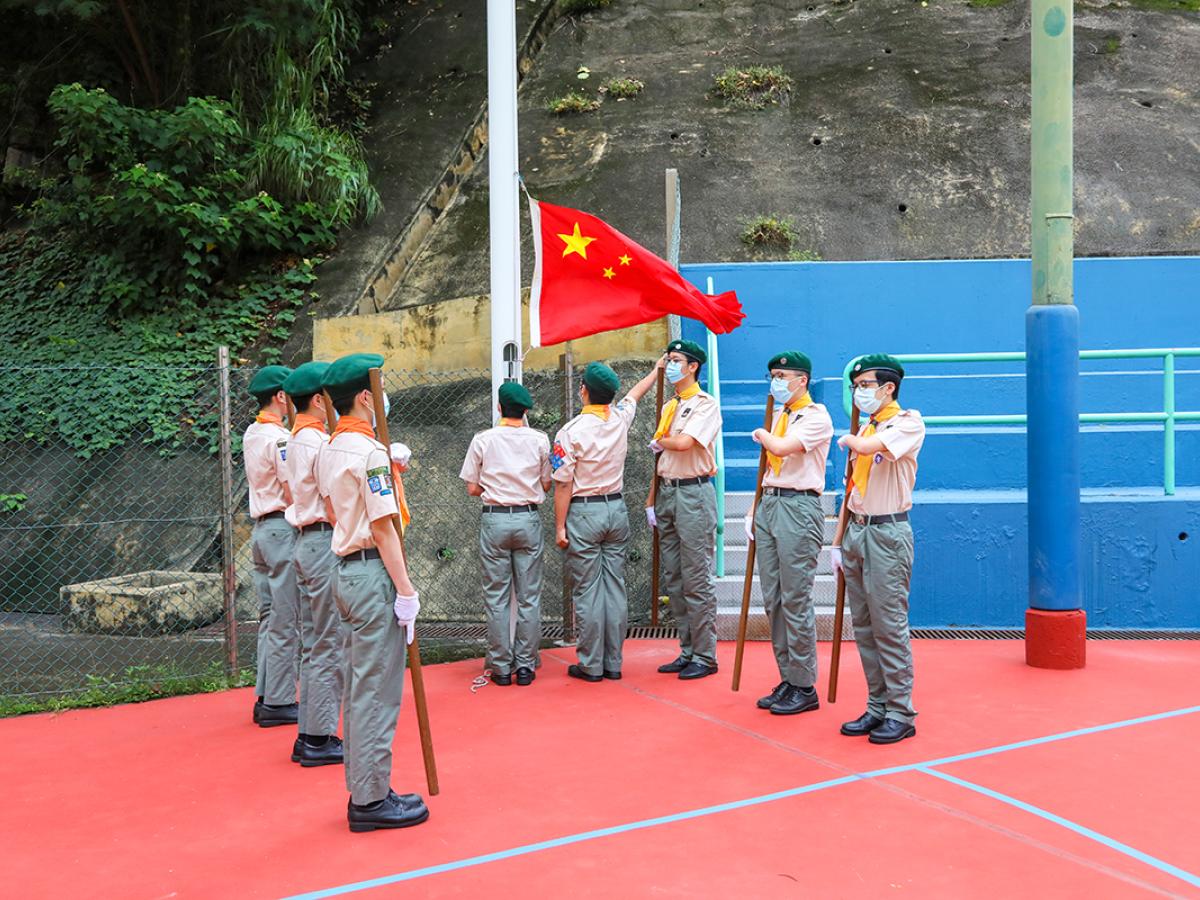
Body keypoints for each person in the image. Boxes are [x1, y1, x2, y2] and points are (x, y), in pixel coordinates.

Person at [317, 353, 428, 831]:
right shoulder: (369, 453)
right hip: (371, 574)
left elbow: (333, 508)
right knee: (377, 692)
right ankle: (370, 799)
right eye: (379, 391)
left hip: (345, 570)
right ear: (366, 397)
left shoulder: (330, 447)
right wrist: (406, 591)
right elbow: (383, 528)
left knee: (361, 687)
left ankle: (367, 786)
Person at [830, 354, 926, 745]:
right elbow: (852, 489)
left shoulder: (907, 422)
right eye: (855, 386)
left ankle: (901, 711)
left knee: (889, 626)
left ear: (889, 388)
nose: (859, 392)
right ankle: (877, 704)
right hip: (858, 530)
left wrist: (853, 440)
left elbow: (872, 447)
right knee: (865, 626)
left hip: (887, 533)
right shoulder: (867, 426)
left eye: (865, 385)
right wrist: (837, 542)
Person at [552, 362, 658, 682]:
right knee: (614, 587)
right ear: (611, 395)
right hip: (616, 509)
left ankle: (591, 663)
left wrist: (560, 526)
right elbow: (635, 395)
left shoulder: (570, 431)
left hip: (584, 512)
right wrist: (657, 370)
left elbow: (563, 484)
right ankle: (613, 661)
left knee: (588, 590)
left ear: (583, 390)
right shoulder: (619, 418)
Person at [744, 351, 833, 715]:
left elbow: (781, 448)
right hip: (771, 502)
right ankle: (788, 677)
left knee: (795, 598)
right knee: (774, 598)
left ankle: (804, 684)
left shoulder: (816, 416)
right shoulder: (780, 415)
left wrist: (763, 434)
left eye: (782, 377)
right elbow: (770, 468)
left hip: (798, 506)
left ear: (802, 380)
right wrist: (753, 510)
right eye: (772, 377)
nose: (776, 383)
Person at [459, 381, 551, 687]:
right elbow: (547, 483)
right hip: (528, 518)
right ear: (525, 411)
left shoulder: (482, 440)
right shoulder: (540, 439)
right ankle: (525, 665)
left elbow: (472, 487)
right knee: (529, 596)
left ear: (499, 408)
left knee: (496, 597)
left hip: (495, 519)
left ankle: (500, 666)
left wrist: (495, 488)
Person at [282, 361, 346, 766]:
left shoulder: (295, 439)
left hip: (306, 541)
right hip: (323, 540)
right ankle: (319, 737)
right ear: (320, 400)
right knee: (329, 642)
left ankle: (309, 732)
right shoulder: (319, 443)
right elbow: (332, 501)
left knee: (314, 642)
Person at [649, 340, 724, 680]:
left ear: (693, 366)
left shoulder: (704, 404)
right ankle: (688, 649)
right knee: (675, 578)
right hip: (668, 492)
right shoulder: (670, 406)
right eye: (668, 359)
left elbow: (681, 443)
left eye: (676, 359)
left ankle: (705, 655)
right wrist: (652, 500)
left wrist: (660, 440)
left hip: (693, 493)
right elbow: (661, 458)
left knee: (696, 577)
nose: (670, 365)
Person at [243, 364, 301, 728]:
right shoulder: (280, 439)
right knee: (285, 617)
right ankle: (279, 701)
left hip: (263, 530)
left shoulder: (253, 432)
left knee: (269, 617)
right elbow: (291, 487)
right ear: (281, 396)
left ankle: (266, 695)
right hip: (282, 527)